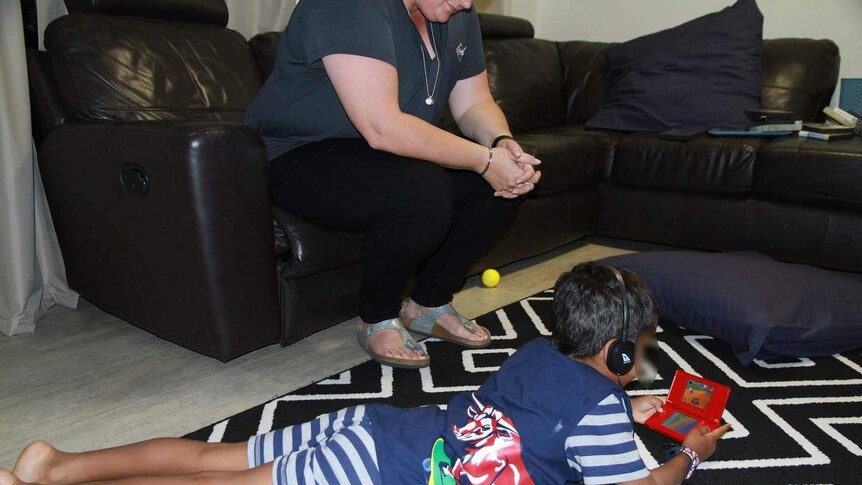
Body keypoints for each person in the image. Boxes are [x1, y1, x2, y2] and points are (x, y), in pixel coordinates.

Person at [2, 263, 731, 485]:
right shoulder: (597, 409)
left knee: (209, 461)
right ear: (611, 355)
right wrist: (690, 452)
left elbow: (553, 406)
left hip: (381, 427)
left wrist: (626, 405)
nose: (641, 360)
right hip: (376, 470)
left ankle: (59, 462)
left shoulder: (539, 353)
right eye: (638, 348)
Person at [244, 0, 543, 368]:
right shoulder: (347, 6)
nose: (467, 2)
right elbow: (382, 126)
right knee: (423, 190)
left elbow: (473, 103)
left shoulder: (460, 15)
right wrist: (484, 161)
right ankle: (376, 317)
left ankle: (428, 304)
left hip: (384, 157)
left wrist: (502, 147)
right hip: (297, 152)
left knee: (496, 187)